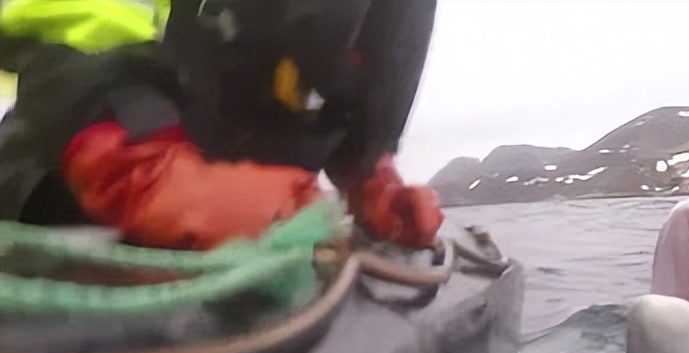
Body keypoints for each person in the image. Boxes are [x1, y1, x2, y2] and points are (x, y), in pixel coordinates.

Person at [0, 0, 442, 251]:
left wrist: (368, 171)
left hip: (265, 227)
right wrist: (127, 148)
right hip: (77, 177)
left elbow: (377, 51)